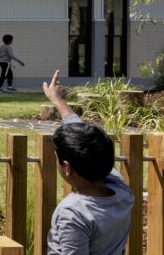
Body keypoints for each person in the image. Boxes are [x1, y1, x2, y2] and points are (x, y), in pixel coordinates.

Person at [42, 70, 133, 254]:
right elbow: (87, 139)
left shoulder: (73, 213)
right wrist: (59, 102)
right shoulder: (120, 189)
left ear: (66, 167)